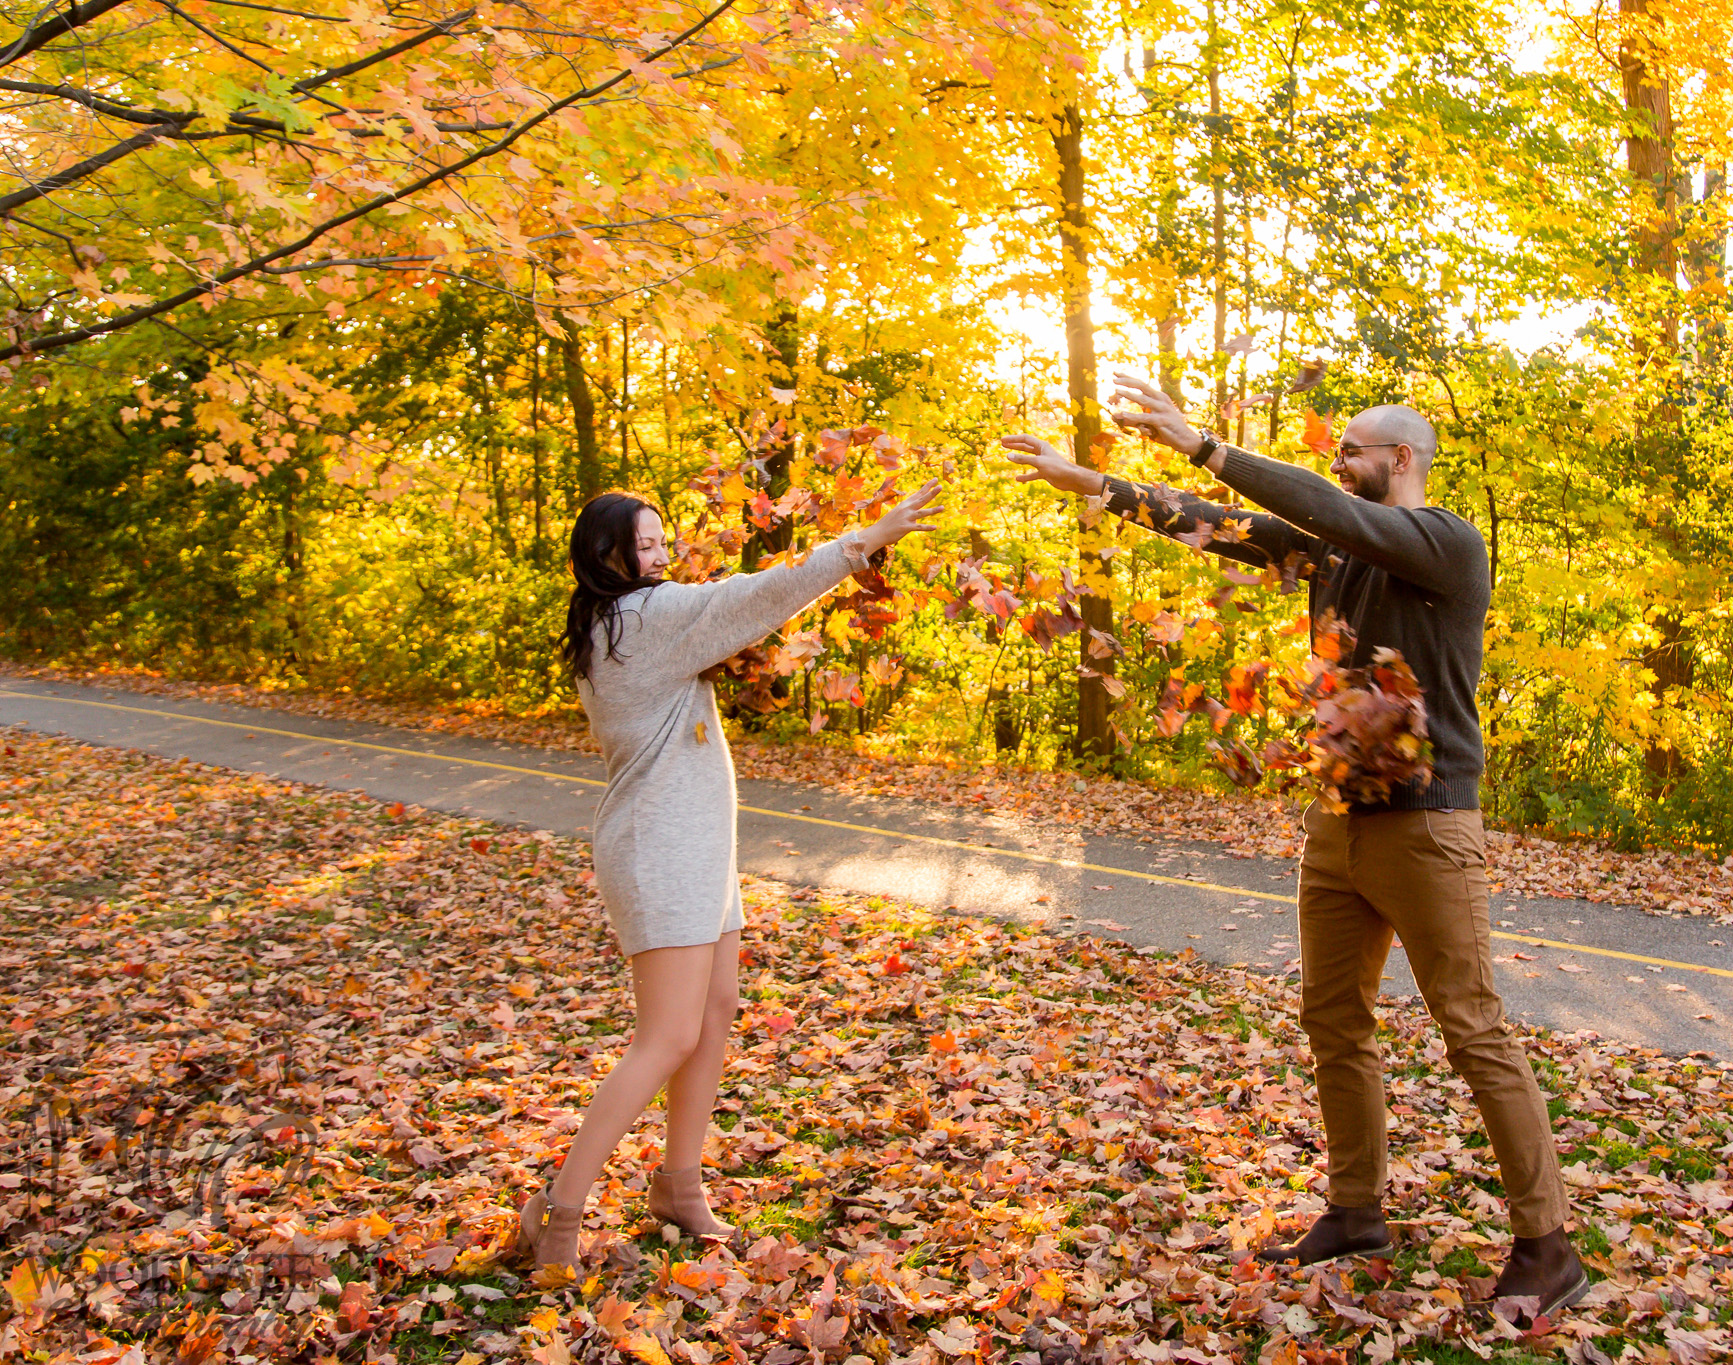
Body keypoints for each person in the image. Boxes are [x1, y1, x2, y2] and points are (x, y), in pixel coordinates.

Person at [1000, 377, 1586, 1325]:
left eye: (1353, 449)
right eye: (1338, 448)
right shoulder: (1333, 549)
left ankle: (1546, 1243)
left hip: (1431, 823)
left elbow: (1306, 503)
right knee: (1331, 1018)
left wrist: (1201, 441)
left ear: (1401, 460)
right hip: (1339, 817)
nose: (1335, 461)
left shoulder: (1444, 544)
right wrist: (1093, 484)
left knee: (1472, 1030)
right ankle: (1357, 1211)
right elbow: (1220, 525)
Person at [518, 481, 943, 1276]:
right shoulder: (643, 617)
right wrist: (862, 540)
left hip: (696, 842)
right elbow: (759, 594)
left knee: (712, 1014)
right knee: (668, 1035)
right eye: (641, 545)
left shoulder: (618, 620)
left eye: (659, 541)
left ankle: (679, 1184)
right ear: (604, 556)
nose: (657, 555)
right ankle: (559, 1209)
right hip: (661, 847)